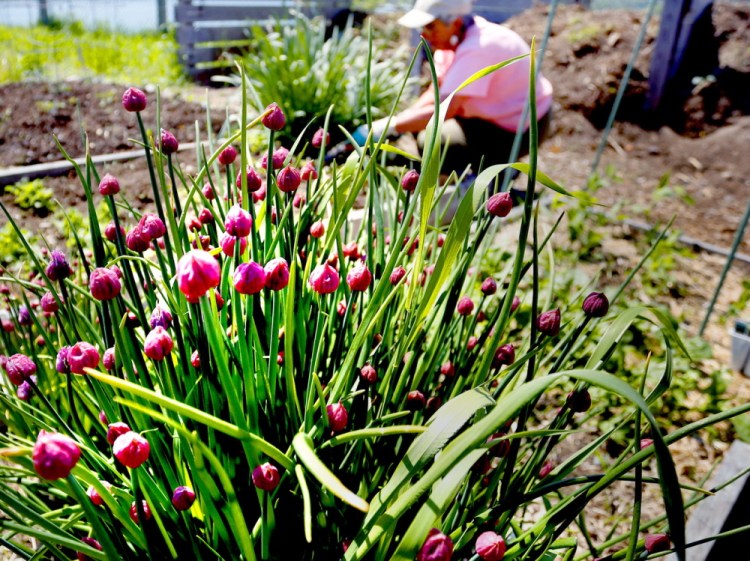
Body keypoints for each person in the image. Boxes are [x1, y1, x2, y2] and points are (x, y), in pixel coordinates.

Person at [352, 0, 553, 178]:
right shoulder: (453, 42)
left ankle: (476, 180)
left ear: (455, 23)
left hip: (520, 129)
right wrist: (404, 118)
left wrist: (389, 126)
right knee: (418, 123)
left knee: (434, 140)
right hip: (494, 115)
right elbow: (437, 91)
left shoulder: (478, 49)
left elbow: (447, 109)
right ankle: (478, 169)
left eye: (431, 26)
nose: (424, 33)